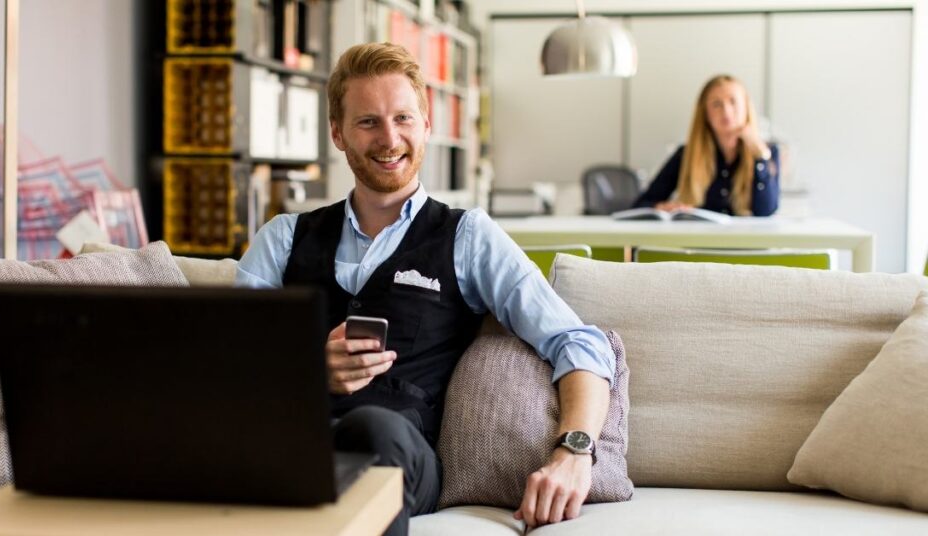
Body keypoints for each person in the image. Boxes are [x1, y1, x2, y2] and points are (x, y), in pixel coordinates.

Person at [235, 42, 614, 534]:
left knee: (373, 429)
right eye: (368, 122)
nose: (389, 138)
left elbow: (578, 342)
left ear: (427, 125)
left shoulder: (468, 237)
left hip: (400, 451)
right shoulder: (285, 237)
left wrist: (574, 452)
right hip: (290, 439)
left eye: (404, 119)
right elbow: (224, 359)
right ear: (338, 133)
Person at [633, 74, 781, 216]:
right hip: (700, 241)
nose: (726, 111)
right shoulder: (687, 155)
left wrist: (760, 157)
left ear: (746, 107)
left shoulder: (768, 153)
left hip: (745, 241)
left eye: (733, 101)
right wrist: (663, 207)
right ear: (705, 113)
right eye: (716, 104)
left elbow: (766, 210)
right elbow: (642, 204)